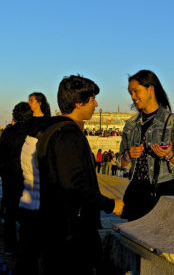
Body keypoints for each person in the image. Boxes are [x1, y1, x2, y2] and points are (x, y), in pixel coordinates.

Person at [37, 75, 124, 275]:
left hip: (56, 228)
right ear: (78, 103)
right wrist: (111, 205)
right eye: (92, 99)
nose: (96, 104)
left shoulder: (51, 131)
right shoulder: (68, 136)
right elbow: (75, 185)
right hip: (71, 233)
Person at [119, 70, 174, 221]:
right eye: (130, 92)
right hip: (136, 194)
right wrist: (128, 155)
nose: (133, 97)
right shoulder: (131, 124)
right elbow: (121, 163)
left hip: (162, 193)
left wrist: (169, 155)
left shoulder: (172, 121)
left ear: (150, 89)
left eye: (136, 91)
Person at [0, 102, 33, 254]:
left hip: (9, 179)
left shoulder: (7, 133)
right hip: (27, 179)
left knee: (10, 216)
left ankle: (10, 246)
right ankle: (27, 245)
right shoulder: (33, 133)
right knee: (28, 216)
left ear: (14, 116)